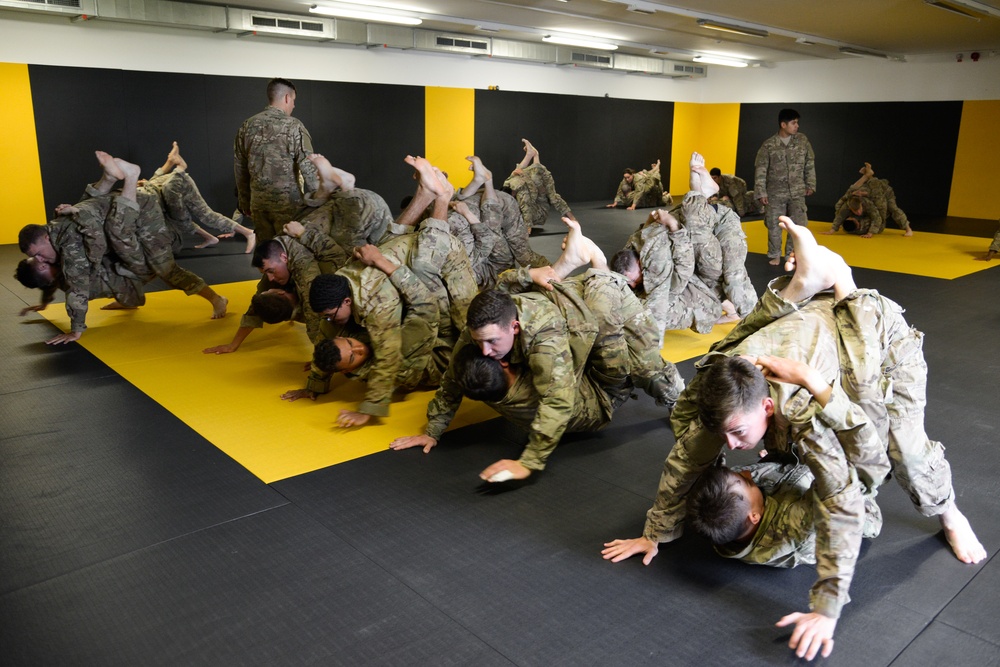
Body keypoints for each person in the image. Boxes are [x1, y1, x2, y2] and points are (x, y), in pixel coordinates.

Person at [603, 218, 984, 661]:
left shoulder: (801, 409)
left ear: (766, 408)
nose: (730, 445)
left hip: (878, 342)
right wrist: (655, 533)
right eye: (726, 432)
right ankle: (805, 284)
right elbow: (684, 461)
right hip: (805, 325)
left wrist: (826, 607)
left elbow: (846, 498)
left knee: (904, 450)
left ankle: (949, 512)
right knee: (726, 378)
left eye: (738, 431)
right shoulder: (724, 395)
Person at [390, 219, 685, 482]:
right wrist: (432, 431)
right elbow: (452, 378)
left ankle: (600, 266)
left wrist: (529, 462)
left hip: (605, 307)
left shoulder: (544, 340)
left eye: (493, 342)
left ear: (514, 328)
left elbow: (558, 400)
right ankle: (575, 264)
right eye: (479, 340)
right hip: (569, 301)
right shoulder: (481, 331)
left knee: (639, 368)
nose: (484, 350)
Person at [19, 151, 227, 344]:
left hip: (142, 212)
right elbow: (51, 278)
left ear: (46, 237)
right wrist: (45, 302)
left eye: (39, 255)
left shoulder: (69, 246)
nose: (42, 260)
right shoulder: (56, 227)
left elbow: (77, 287)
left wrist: (76, 330)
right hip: (118, 208)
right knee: (97, 223)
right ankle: (109, 178)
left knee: (164, 268)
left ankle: (217, 299)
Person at [202, 220, 347, 354]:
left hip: (340, 242)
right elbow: (257, 305)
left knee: (323, 299)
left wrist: (321, 356)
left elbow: (312, 312)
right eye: (266, 272)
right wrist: (233, 344)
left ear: (284, 258)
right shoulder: (273, 263)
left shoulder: (302, 263)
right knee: (272, 298)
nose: (270, 277)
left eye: (271, 271)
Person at [234, 77, 319, 241]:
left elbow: (240, 168)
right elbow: (308, 167)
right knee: (288, 253)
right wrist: (318, 204)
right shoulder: (294, 126)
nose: (294, 105)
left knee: (266, 256)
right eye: (293, 100)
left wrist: (245, 202)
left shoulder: (247, 125)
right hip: (288, 206)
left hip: (258, 205)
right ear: (287, 98)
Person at [141, 141, 256, 253]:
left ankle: (248, 232)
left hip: (177, 184)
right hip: (166, 188)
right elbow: (153, 181)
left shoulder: (143, 195)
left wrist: (179, 169)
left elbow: (162, 185)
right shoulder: (144, 194)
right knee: (181, 221)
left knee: (206, 215)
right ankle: (211, 238)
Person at [754, 108, 816, 265]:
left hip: (797, 191)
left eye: (797, 123)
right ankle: (774, 254)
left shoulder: (802, 141)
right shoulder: (769, 145)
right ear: (783, 124)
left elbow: (809, 163)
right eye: (794, 123)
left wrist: (810, 183)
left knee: (797, 225)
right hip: (775, 192)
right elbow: (761, 169)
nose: (797, 126)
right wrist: (761, 192)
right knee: (774, 225)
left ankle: (790, 254)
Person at [502, 139, 575, 231]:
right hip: (539, 210)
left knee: (522, 176)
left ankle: (531, 155)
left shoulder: (512, 187)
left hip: (539, 202)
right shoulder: (517, 195)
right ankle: (534, 155)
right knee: (531, 179)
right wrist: (523, 175)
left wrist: (527, 228)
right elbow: (532, 195)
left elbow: (537, 194)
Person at [824, 163, 912, 238]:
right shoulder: (847, 205)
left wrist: (871, 233)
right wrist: (832, 230)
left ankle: (908, 229)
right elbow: (840, 215)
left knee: (892, 208)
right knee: (848, 196)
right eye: (855, 211)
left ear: (861, 204)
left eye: (858, 210)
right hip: (864, 192)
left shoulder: (868, 203)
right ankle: (867, 175)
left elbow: (877, 217)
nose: (858, 213)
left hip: (883, 192)